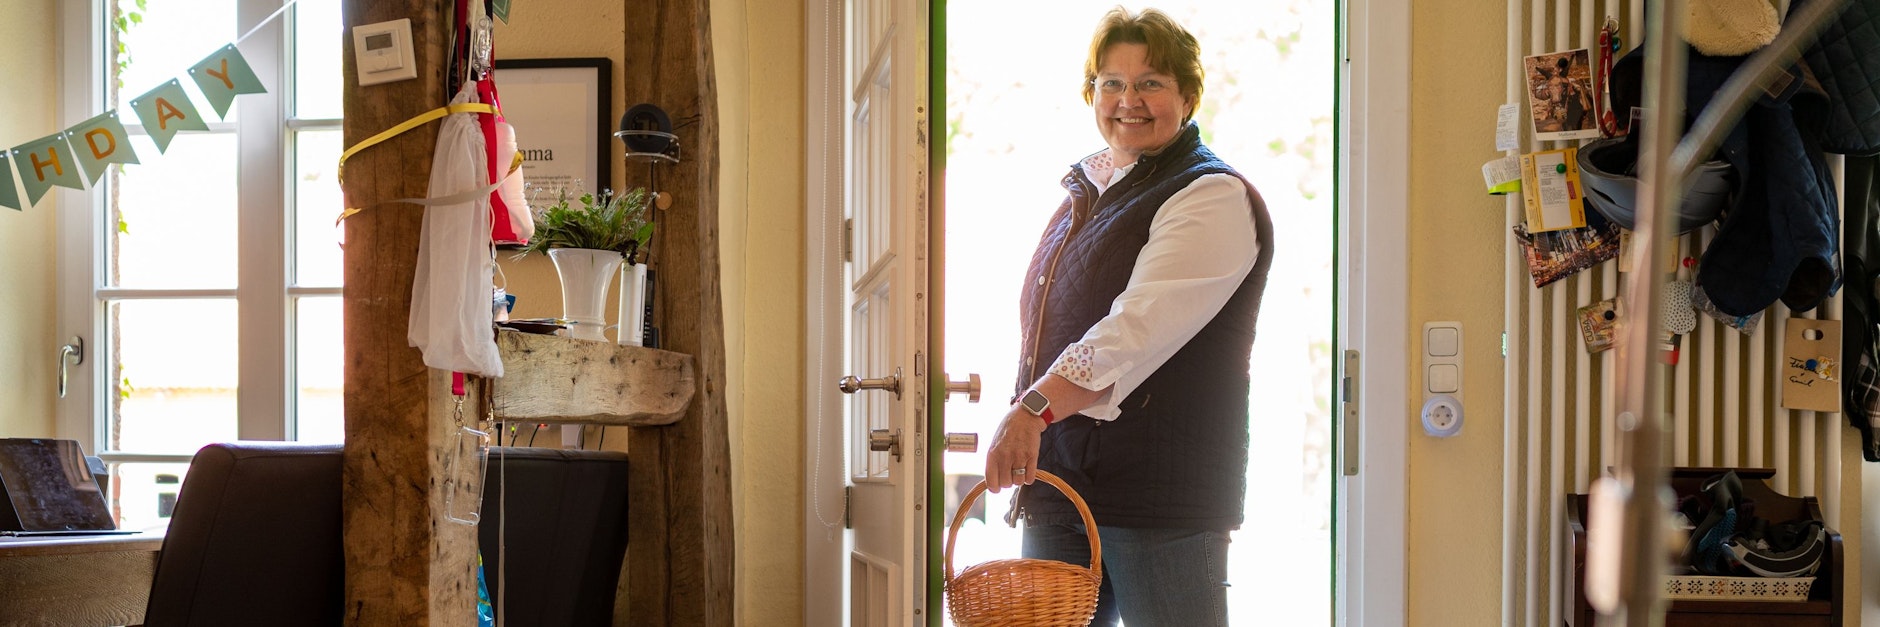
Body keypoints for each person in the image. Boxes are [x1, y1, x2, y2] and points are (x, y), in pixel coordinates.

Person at [981, 7, 1274, 626]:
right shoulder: (1089, 192)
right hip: (1063, 485)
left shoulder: (1210, 195)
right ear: (1092, 93)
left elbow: (1134, 328)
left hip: (1156, 500)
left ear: (1188, 96)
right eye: (1111, 83)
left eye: (1151, 83)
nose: (1128, 100)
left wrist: (1031, 409)